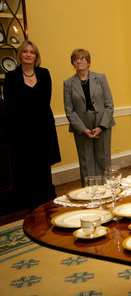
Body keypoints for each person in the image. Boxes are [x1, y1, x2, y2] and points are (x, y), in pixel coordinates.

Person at [4, 40, 61, 209]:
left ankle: (47, 202)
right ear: (20, 55)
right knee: (28, 168)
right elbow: (10, 106)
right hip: (23, 130)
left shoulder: (44, 73)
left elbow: (46, 100)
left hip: (44, 128)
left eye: (32, 52)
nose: (29, 55)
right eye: (25, 52)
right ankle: (32, 206)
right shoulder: (11, 76)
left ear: (36, 56)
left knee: (44, 168)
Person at [63, 49, 115, 185]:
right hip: (81, 126)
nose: (80, 62)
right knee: (86, 161)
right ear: (72, 64)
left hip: (102, 124)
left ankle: (106, 191)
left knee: (103, 159)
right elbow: (69, 110)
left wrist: (102, 126)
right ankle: (89, 193)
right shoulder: (68, 84)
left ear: (88, 62)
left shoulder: (101, 78)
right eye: (76, 60)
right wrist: (83, 129)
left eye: (83, 59)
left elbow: (109, 105)